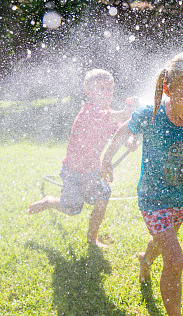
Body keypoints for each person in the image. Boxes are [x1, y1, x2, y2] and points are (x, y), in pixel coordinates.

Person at [101, 49, 183, 315]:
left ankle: (145, 259)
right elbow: (122, 130)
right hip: (152, 199)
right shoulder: (151, 114)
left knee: (164, 240)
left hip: (180, 198)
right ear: (167, 87)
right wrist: (106, 159)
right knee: (175, 261)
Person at [28, 69, 139, 249]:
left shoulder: (109, 113)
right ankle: (50, 202)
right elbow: (118, 117)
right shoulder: (89, 111)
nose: (107, 93)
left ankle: (92, 238)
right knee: (72, 209)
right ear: (89, 93)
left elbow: (119, 132)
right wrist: (129, 112)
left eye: (109, 89)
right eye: (101, 89)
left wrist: (130, 141)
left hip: (92, 170)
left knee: (103, 196)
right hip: (72, 170)